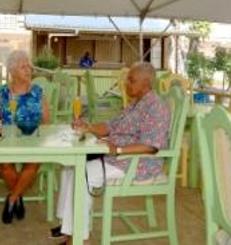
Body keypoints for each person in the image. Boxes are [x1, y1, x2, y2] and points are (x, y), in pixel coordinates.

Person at [53, 62, 170, 244]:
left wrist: (118, 149)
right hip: (116, 156)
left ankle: (76, 239)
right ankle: (67, 226)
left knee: (83, 174)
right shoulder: (134, 104)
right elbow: (110, 127)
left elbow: (151, 146)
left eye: (132, 80)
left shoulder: (156, 107)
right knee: (69, 165)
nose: (126, 83)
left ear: (146, 83)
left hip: (138, 163)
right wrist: (89, 127)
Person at [0, 50, 50, 224]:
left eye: (28, 66)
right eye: (23, 67)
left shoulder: (38, 92)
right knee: (5, 165)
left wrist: (37, 138)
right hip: (7, 143)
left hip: (33, 142)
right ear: (12, 71)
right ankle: (18, 196)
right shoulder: (1, 93)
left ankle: (13, 198)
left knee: (34, 162)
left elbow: (46, 123)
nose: (28, 69)